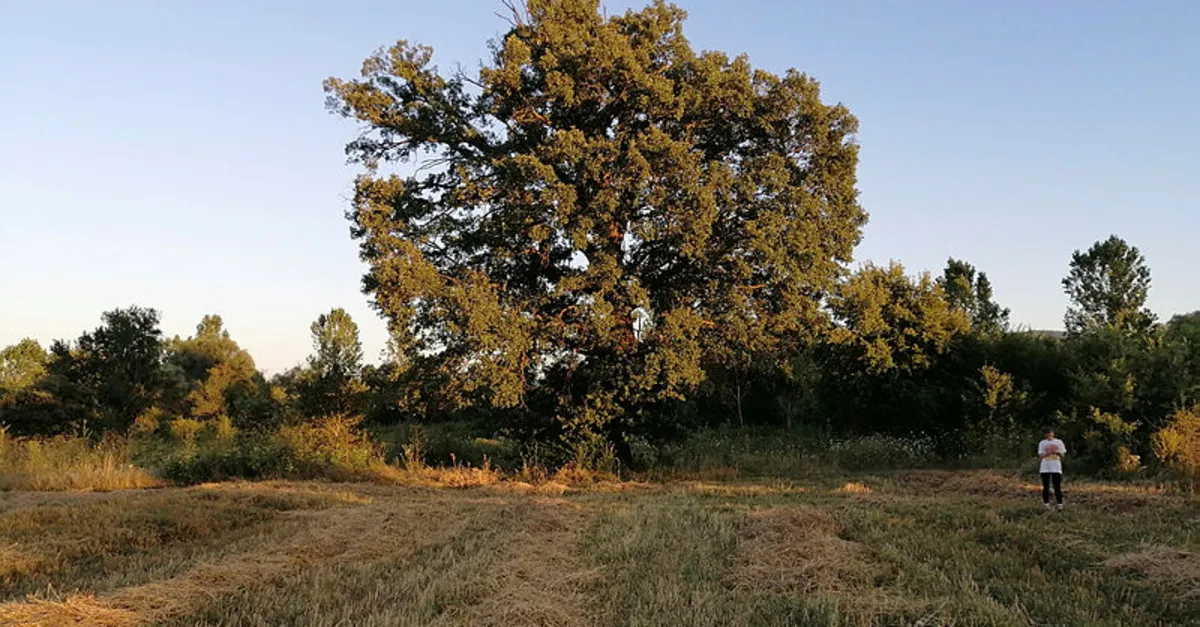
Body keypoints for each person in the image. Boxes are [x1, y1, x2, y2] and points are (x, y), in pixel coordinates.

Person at [1037, 429, 1066, 511]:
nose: (1049, 436)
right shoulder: (1042, 443)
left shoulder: (1059, 442)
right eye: (1047, 434)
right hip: (1045, 467)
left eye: (1050, 434)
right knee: (1045, 486)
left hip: (1056, 467)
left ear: (1053, 434)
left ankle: (1060, 505)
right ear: (1045, 435)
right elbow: (1040, 455)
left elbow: (1063, 455)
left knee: (1057, 486)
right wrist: (1048, 453)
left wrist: (1057, 452)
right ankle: (1046, 504)